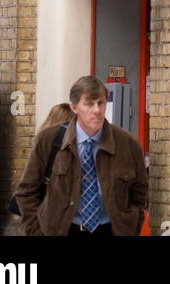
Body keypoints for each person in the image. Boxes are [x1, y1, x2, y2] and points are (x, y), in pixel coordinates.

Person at [14, 75, 147, 236]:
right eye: (89, 104)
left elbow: (139, 194)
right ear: (74, 107)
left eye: (101, 103)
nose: (97, 110)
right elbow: (26, 192)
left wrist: (130, 228)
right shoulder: (48, 140)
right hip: (65, 229)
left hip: (110, 230)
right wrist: (37, 232)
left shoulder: (128, 144)